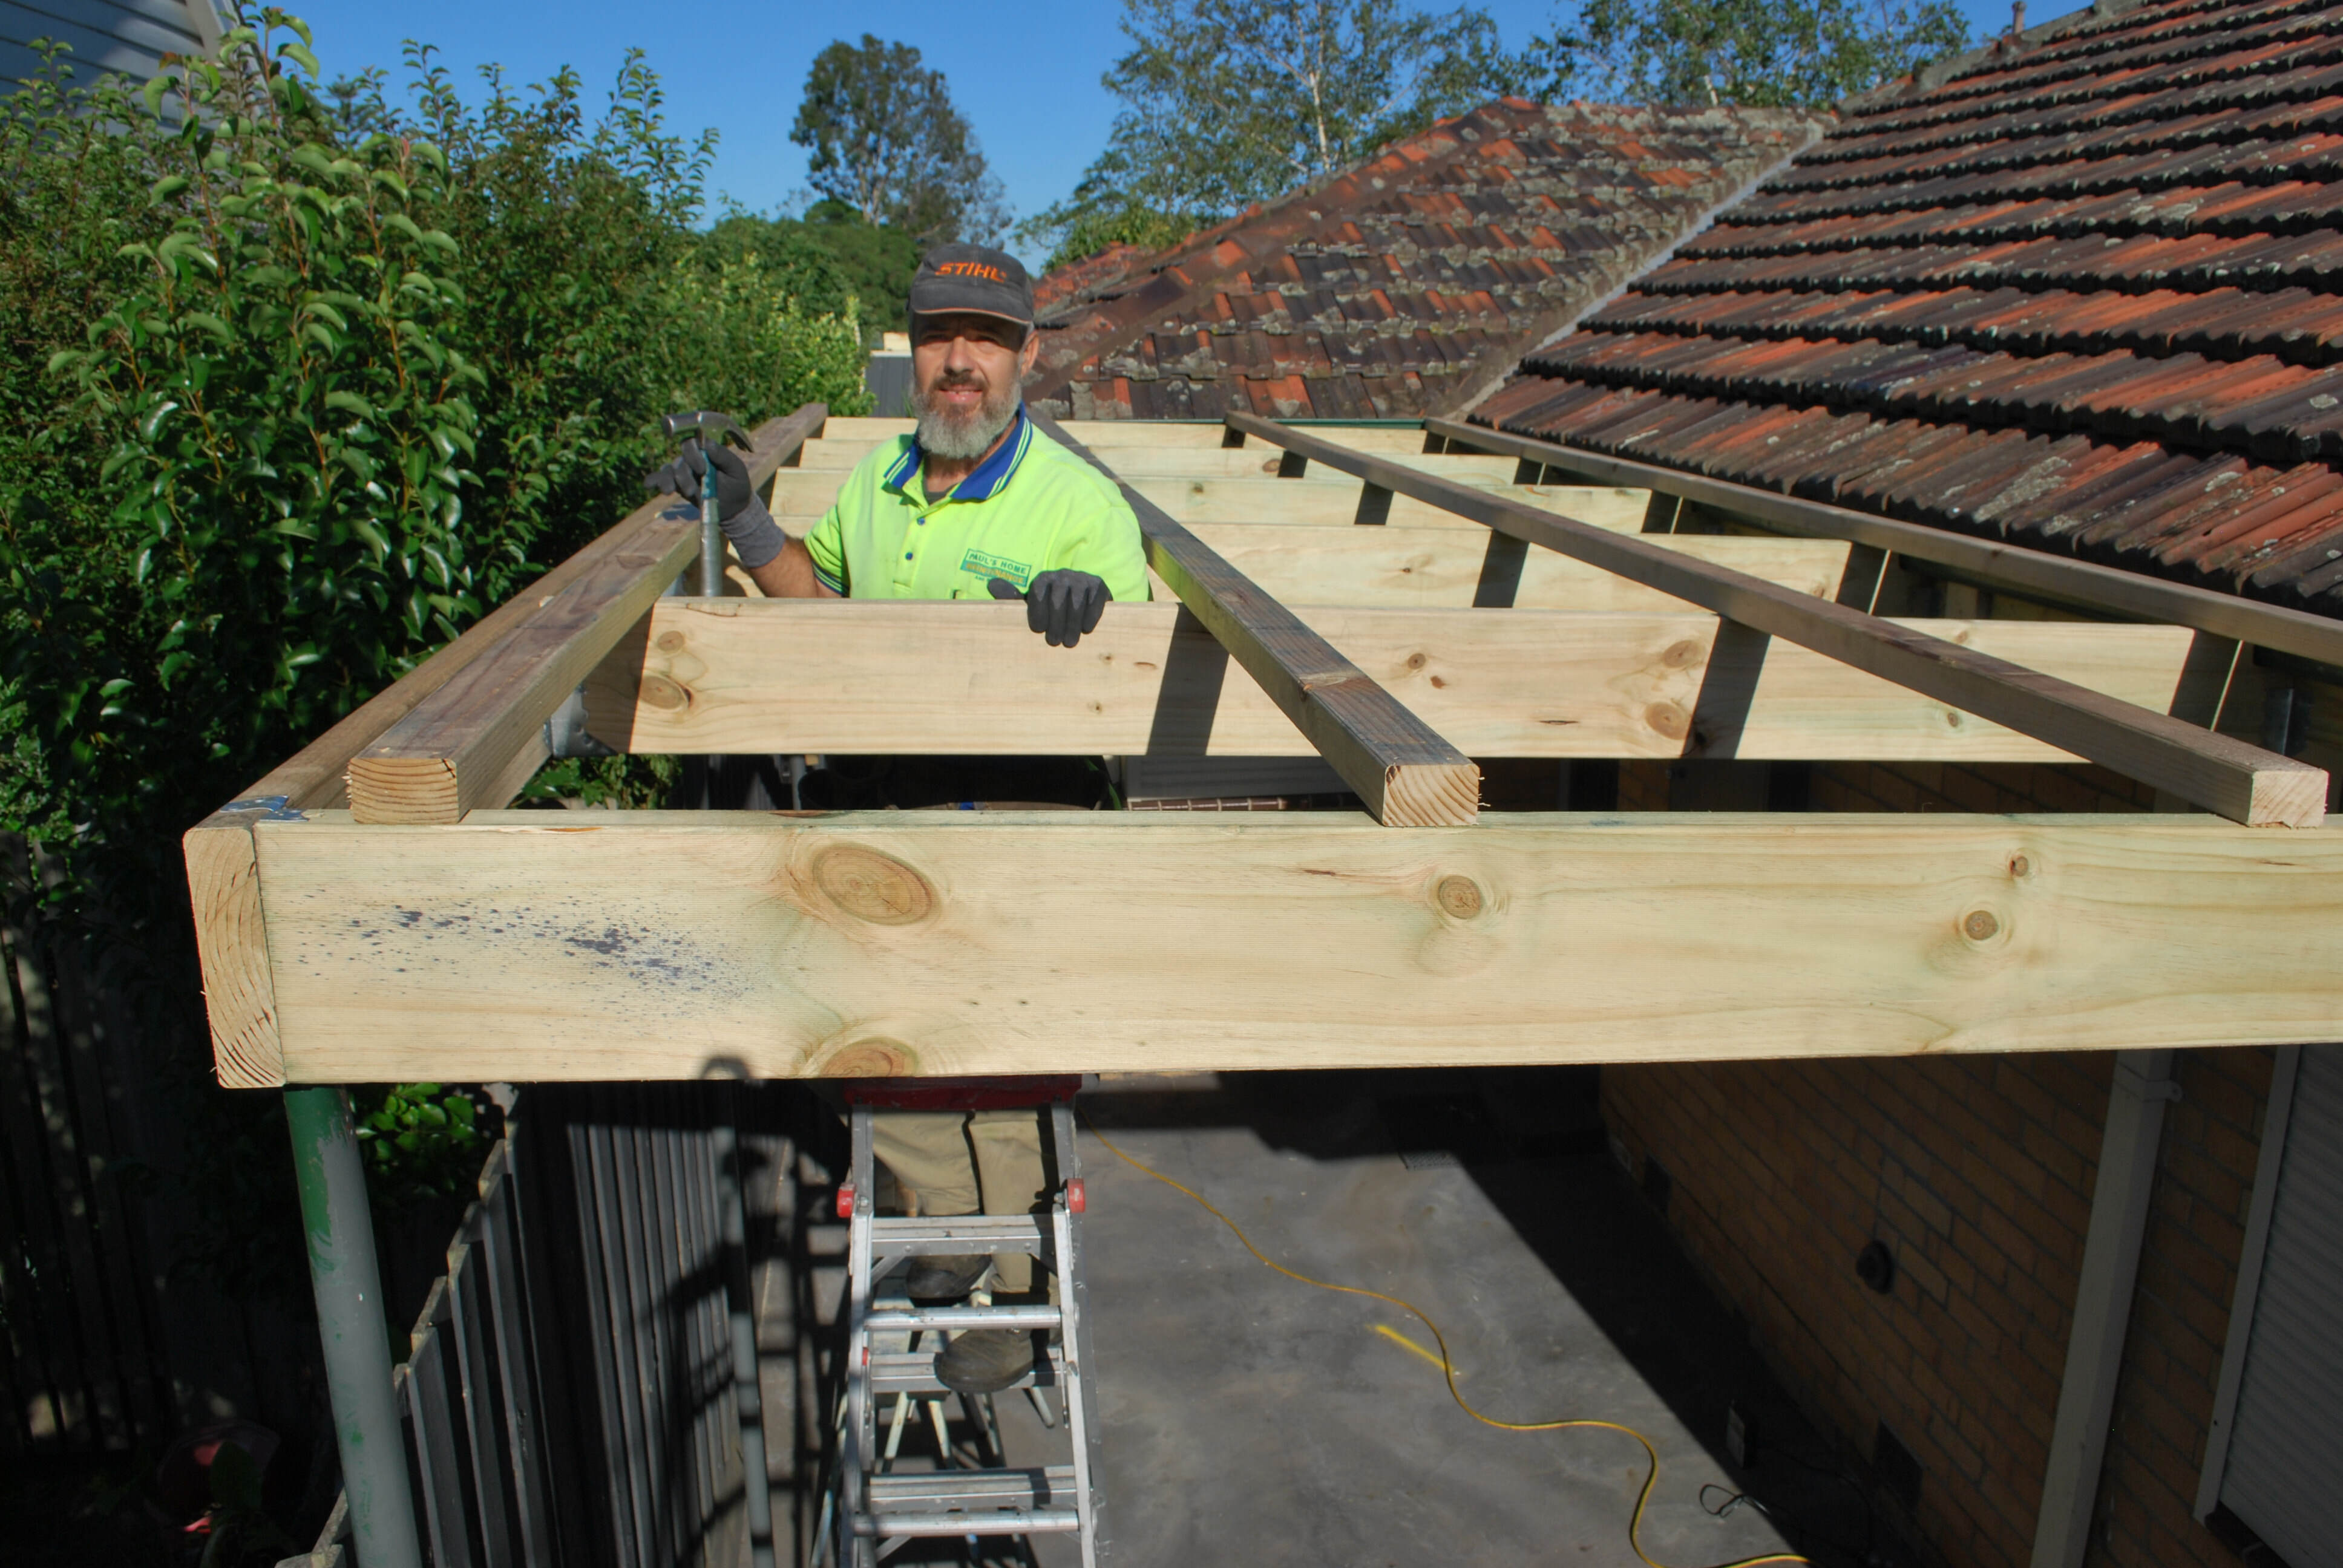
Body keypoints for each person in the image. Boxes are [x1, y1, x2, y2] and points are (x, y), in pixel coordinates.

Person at [644, 243, 1148, 1394]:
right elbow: (816, 604)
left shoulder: (1078, 505)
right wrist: (749, 523)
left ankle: (1014, 1300)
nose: (957, 363)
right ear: (912, 354)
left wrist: (1097, 613)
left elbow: (1136, 661)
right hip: (884, 809)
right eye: (937, 339)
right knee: (872, 1040)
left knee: (1010, 1073)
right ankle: (938, 1222)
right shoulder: (873, 482)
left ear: (1026, 355)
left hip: (1022, 823)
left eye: (982, 340)